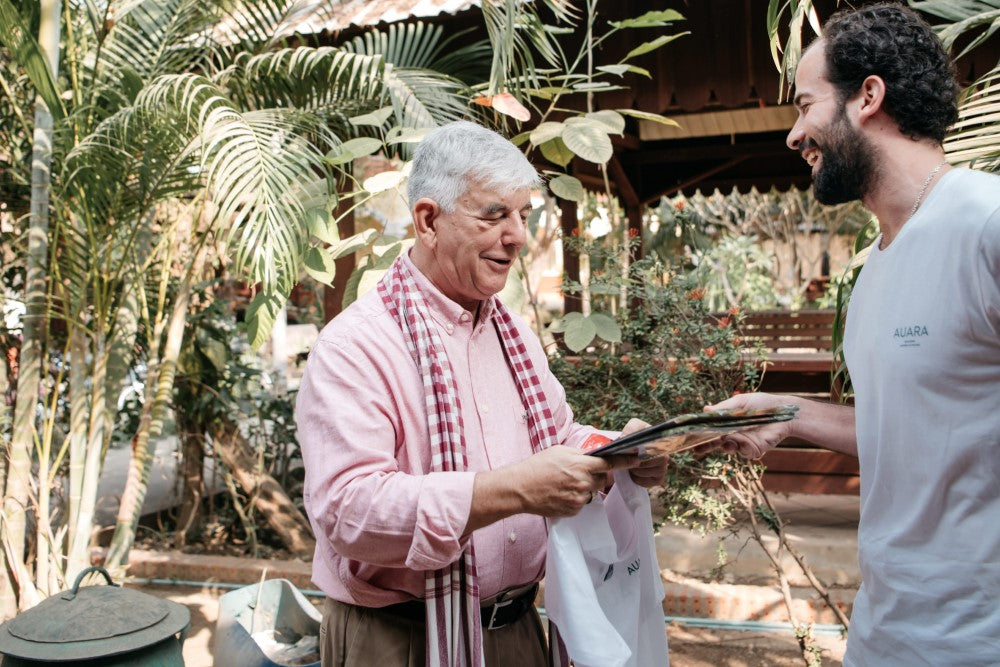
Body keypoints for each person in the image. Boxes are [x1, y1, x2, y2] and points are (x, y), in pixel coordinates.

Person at [295, 120, 667, 667]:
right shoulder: (356, 345)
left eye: (522, 214)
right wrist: (512, 491)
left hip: (517, 630)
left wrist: (618, 451)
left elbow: (558, 437)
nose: (517, 235)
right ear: (428, 221)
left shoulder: (512, 333)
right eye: (494, 215)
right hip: (400, 640)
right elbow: (347, 511)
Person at [708, 4, 1000, 665]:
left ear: (868, 96)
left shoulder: (986, 224)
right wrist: (780, 411)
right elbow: (906, 425)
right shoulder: (874, 273)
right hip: (884, 630)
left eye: (806, 105)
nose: (793, 134)